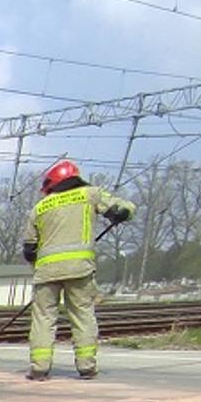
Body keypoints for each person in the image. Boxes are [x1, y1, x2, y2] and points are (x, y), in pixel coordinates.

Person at [21, 159, 135, 381]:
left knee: (43, 318)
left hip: (46, 273)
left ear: (51, 185)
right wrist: (120, 215)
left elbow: (29, 249)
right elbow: (125, 208)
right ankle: (87, 367)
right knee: (82, 315)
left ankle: (39, 368)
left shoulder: (40, 207)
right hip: (79, 270)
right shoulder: (89, 194)